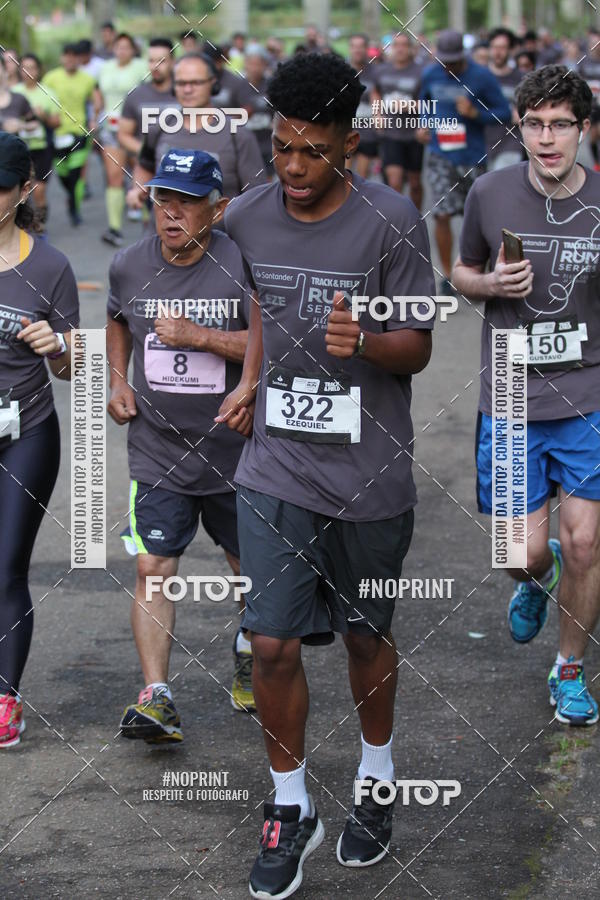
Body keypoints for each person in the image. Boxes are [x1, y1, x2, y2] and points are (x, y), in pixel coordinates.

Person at [218, 52, 435, 899]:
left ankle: (377, 778)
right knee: (268, 640)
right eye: (281, 148)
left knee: (363, 637)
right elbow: (256, 303)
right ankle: (289, 805)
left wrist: (369, 342)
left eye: (313, 150)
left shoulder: (394, 221)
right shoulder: (247, 215)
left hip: (369, 473)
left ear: (351, 140)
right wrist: (247, 381)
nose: (295, 167)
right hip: (275, 463)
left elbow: (417, 345)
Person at [452, 65, 600, 727]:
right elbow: (460, 271)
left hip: (587, 396)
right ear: (519, 126)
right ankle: (538, 580)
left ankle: (568, 670)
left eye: (561, 124)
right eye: (535, 123)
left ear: (584, 129)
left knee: (588, 542)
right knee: (521, 552)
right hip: (510, 394)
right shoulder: (488, 192)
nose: (547, 137)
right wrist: (490, 285)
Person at [107, 150, 256, 743]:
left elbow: (271, 344)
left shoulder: (242, 263)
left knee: (250, 574)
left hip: (236, 451)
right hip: (159, 450)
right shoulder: (127, 264)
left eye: (189, 201)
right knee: (153, 568)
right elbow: (117, 320)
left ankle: (249, 649)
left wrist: (199, 336)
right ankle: (156, 696)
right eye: (164, 198)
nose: (173, 212)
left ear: (216, 209)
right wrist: (117, 379)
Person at [0, 133, 79, 747]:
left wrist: (60, 346)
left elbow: (76, 366)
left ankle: (6, 701)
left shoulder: (49, 265)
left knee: (5, 569)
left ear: (24, 190)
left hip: (23, 432)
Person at [417, 29, 510, 293]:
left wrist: (475, 113)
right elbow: (425, 104)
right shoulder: (430, 74)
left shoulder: (481, 76)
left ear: (463, 56)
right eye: (443, 62)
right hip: (440, 155)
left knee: (480, 218)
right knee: (442, 215)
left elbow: (504, 112)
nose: (447, 68)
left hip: (472, 157)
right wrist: (423, 126)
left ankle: (477, 270)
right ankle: (448, 276)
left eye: (453, 63)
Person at [128, 52, 266, 213]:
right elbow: (145, 165)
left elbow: (256, 195)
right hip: (163, 233)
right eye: (181, 83)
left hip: (218, 234)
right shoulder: (158, 128)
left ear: (213, 83)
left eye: (196, 82)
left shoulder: (238, 134)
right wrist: (138, 189)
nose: (187, 89)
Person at [97, 33, 147, 247]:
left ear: (133, 50)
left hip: (136, 128)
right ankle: (114, 228)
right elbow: (98, 91)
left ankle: (149, 223)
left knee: (144, 175)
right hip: (111, 127)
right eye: (118, 47)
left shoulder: (141, 67)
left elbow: (149, 93)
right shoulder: (106, 67)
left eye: (126, 47)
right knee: (114, 177)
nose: (122, 51)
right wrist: (95, 115)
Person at [42, 44, 101, 227]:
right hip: (57, 133)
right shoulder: (51, 78)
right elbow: (42, 99)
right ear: (62, 58)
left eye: (74, 57)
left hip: (80, 133)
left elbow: (97, 100)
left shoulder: (87, 79)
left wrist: (94, 119)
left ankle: (75, 211)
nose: (70, 60)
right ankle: (70, 196)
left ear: (79, 59)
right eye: (66, 56)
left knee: (75, 175)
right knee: (63, 175)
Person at [372, 33, 424, 209]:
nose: (400, 49)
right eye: (396, 45)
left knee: (415, 184)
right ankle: (399, 221)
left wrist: (409, 106)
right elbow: (375, 93)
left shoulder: (421, 71)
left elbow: (430, 102)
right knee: (394, 183)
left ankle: (417, 218)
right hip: (391, 133)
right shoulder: (382, 70)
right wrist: (377, 114)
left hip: (414, 134)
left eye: (404, 45)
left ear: (410, 48)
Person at [14, 54, 61, 228]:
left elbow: (58, 122)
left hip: (42, 148)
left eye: (32, 67)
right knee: (19, 192)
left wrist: (44, 116)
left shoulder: (48, 93)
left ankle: (40, 225)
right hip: (19, 149)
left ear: (39, 70)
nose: (28, 71)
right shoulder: (14, 93)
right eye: (24, 67)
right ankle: (23, 226)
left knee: (39, 190)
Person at [118, 38, 175, 158]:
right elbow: (123, 135)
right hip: (147, 167)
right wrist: (147, 152)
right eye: (151, 61)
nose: (155, 66)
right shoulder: (135, 95)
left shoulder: (187, 94)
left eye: (161, 61)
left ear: (173, 62)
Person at [486, 28, 524, 171]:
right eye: (494, 47)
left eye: (502, 47)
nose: (498, 52)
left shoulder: (521, 78)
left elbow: (532, 109)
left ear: (510, 50)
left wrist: (522, 114)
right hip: (483, 142)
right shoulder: (479, 76)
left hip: (510, 142)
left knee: (500, 187)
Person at [235, 44, 274, 176]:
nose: (255, 68)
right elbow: (231, 115)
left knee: (268, 179)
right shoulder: (239, 87)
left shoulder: (272, 85)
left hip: (268, 143)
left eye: (259, 64)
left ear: (265, 65)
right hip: (246, 143)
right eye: (251, 63)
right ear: (246, 64)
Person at [347, 33, 380, 180]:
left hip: (367, 130)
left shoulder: (375, 72)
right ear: (350, 49)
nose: (357, 50)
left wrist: (378, 115)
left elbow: (377, 96)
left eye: (361, 47)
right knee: (343, 177)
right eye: (354, 46)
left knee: (361, 178)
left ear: (367, 49)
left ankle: (359, 203)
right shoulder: (341, 71)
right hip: (346, 129)